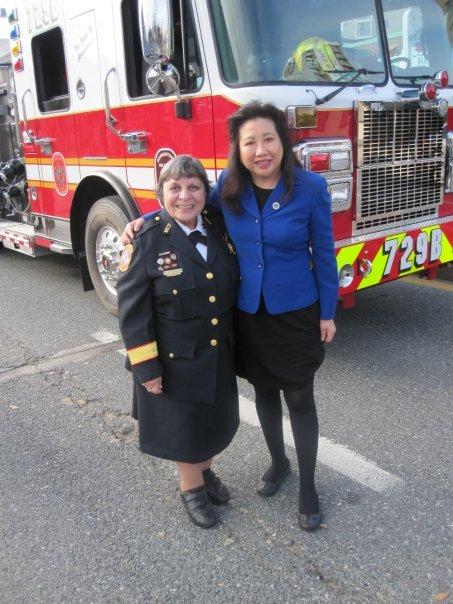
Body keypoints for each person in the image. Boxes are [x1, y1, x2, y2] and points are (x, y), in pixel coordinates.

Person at [122, 101, 338, 531]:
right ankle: (278, 464)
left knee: (299, 397)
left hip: (297, 312)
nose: (261, 150)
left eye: (268, 139)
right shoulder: (228, 187)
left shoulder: (310, 187)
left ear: (283, 142)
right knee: (262, 392)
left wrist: (328, 313)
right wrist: (140, 222)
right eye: (249, 142)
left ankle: (308, 485)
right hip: (249, 314)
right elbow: (183, 204)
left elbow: (325, 253)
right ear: (238, 149)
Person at [117, 155, 240, 529]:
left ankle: (204, 473)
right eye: (175, 188)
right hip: (176, 358)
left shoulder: (218, 227)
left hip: (216, 351)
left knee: (211, 418)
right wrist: (146, 369)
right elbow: (133, 313)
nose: (184, 196)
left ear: (206, 192)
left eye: (194, 187)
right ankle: (191, 488)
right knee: (186, 424)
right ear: (160, 194)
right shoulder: (146, 239)